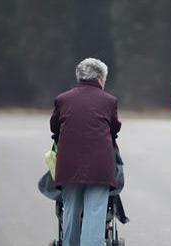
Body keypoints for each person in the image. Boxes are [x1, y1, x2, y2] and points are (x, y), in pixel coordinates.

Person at [50, 58, 121, 246]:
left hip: (69, 166)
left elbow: (54, 127)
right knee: (96, 212)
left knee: (71, 210)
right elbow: (115, 128)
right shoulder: (109, 101)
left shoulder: (62, 99)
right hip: (100, 167)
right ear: (100, 79)